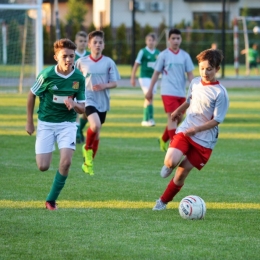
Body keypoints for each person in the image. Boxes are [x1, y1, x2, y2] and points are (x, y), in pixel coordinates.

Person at [152, 48, 229, 211]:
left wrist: (197, 129)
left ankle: (163, 201)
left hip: (205, 141)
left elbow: (216, 120)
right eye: (202, 68)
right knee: (171, 161)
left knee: (181, 174)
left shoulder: (220, 93)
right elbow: (189, 100)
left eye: (209, 69)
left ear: (217, 69)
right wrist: (179, 110)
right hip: (187, 130)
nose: (205, 72)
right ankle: (169, 164)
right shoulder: (194, 82)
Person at [26, 38, 86, 210]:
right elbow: (31, 95)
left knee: (66, 162)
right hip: (46, 123)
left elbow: (82, 108)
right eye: (65, 56)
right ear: (56, 57)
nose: (68, 60)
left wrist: (74, 104)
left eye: (72, 56)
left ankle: (51, 200)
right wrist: (29, 122)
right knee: (43, 166)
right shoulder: (46, 75)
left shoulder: (78, 78)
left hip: (67, 124)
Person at [75, 30, 120, 176]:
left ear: (104, 45)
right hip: (88, 98)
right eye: (95, 42)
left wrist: (104, 86)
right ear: (89, 45)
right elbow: (74, 80)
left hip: (103, 101)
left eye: (100, 42)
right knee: (95, 125)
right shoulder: (81, 62)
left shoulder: (108, 62)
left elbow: (114, 83)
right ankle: (86, 149)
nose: (98, 45)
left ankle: (88, 163)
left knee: (97, 133)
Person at [145, 28, 194, 152]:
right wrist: (150, 90)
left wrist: (195, 90)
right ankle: (174, 146)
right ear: (169, 40)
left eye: (178, 38)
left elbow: (190, 75)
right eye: (173, 38)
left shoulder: (185, 56)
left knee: (179, 119)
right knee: (172, 117)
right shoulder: (164, 55)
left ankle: (163, 139)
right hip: (167, 91)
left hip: (181, 92)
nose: (176, 41)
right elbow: (156, 74)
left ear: (181, 40)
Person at [130, 32, 160, 127]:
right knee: (149, 96)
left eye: (153, 40)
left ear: (155, 42)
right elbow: (136, 64)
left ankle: (144, 119)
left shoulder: (158, 53)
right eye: (149, 40)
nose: (151, 42)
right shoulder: (143, 51)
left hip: (153, 79)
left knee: (149, 98)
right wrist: (133, 77)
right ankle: (150, 119)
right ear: (146, 41)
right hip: (144, 77)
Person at [74, 31, 91, 143]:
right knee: (75, 111)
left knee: (86, 113)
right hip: (75, 86)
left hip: (88, 88)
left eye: (85, 41)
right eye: (80, 41)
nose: (83, 43)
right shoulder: (71, 54)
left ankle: (79, 130)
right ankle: (77, 135)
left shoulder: (89, 55)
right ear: (76, 42)